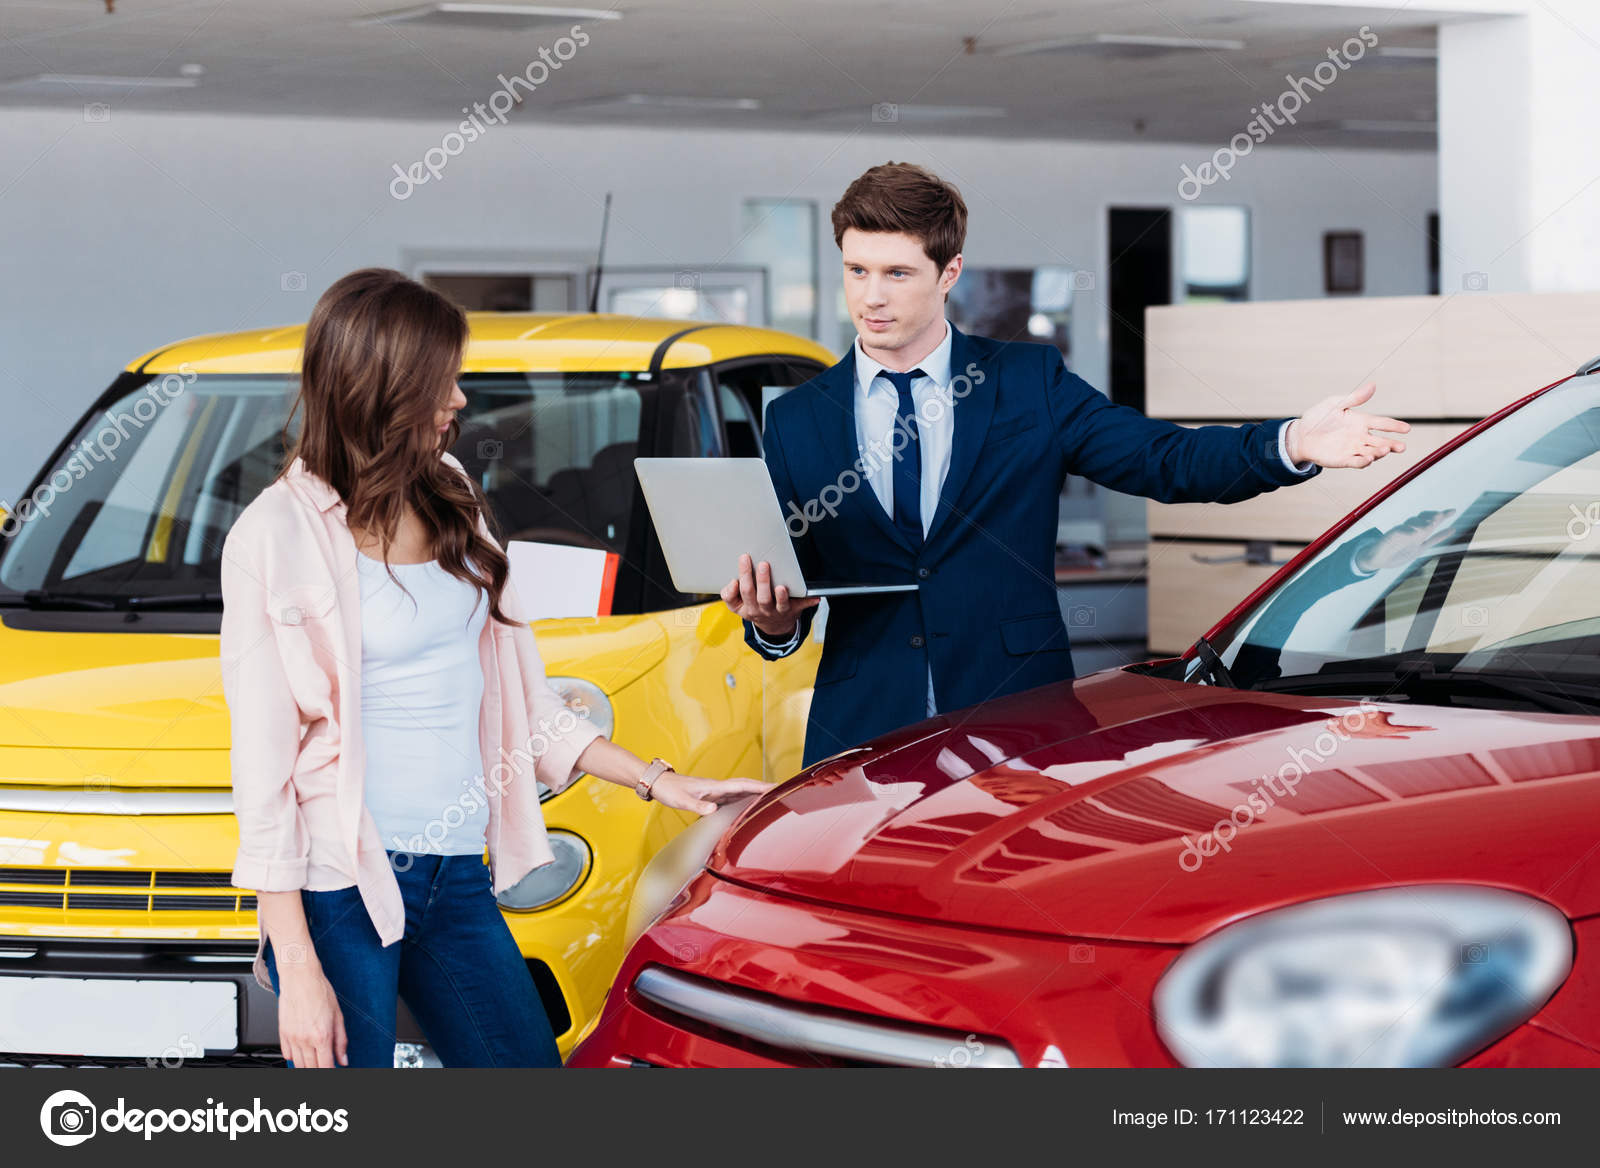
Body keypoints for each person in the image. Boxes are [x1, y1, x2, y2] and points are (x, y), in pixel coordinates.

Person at [220, 267, 765, 1069]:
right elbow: (262, 770)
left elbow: (519, 700)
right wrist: (296, 966)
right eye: (446, 382)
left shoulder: (452, 495)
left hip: (456, 876)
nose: (462, 401)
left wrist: (660, 781)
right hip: (341, 888)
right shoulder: (274, 536)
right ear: (386, 388)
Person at [722, 162, 1410, 769]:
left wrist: (1289, 442)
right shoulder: (796, 418)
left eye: (897, 273)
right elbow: (796, 585)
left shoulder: (1029, 381)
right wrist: (774, 624)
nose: (871, 297)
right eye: (857, 270)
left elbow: (1162, 460)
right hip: (861, 733)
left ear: (948, 273)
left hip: (1019, 723)